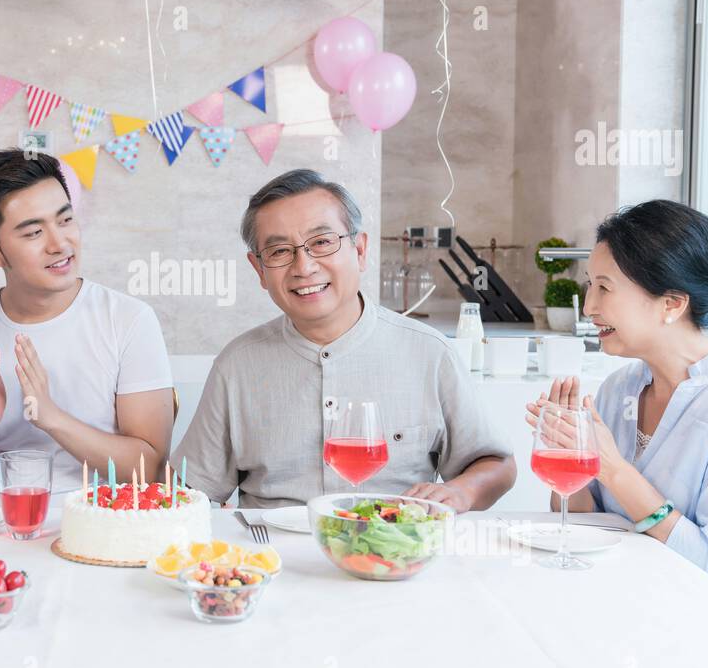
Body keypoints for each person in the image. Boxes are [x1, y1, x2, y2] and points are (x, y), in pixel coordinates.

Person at [526, 200, 708, 643]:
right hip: (639, 623)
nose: (588, 306)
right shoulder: (619, 388)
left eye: (605, 288)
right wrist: (571, 466)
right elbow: (591, 530)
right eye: (590, 285)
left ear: (672, 303)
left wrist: (615, 470)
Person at [175, 168, 516, 509]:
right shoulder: (237, 365)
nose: (303, 267)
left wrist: (463, 491)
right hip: (271, 557)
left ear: (360, 249)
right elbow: (190, 490)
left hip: (391, 551)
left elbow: (496, 464)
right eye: (280, 252)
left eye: (321, 243)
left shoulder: (429, 353)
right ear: (259, 270)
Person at [0, 149, 174, 506]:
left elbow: (149, 472)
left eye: (65, 220)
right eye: (33, 233)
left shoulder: (129, 319)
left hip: (104, 522)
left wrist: (52, 418)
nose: (60, 244)